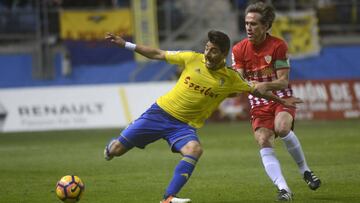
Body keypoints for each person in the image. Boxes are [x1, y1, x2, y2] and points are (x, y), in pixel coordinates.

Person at [104, 30, 302, 203]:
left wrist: (282, 101)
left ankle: (168, 197)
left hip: (182, 126)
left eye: (213, 50)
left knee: (194, 149)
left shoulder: (231, 78)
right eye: (207, 47)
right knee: (116, 150)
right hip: (159, 114)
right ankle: (111, 149)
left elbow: (256, 91)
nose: (207, 52)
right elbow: (157, 53)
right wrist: (126, 44)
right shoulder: (191, 58)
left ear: (224, 54)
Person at [231, 1, 321, 201]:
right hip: (258, 103)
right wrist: (249, 86)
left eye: (253, 24)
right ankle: (284, 189)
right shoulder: (238, 49)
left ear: (265, 26)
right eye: (246, 23)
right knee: (263, 140)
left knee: (281, 128)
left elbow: (283, 82)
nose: (248, 27)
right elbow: (239, 80)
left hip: (281, 98)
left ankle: (305, 170)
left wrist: (264, 86)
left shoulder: (278, 46)